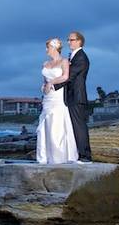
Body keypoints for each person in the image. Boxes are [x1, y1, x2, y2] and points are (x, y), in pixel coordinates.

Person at [49, 31, 92, 162]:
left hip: (77, 97)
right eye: (68, 40)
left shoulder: (81, 57)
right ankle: (77, 154)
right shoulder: (73, 56)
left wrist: (53, 86)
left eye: (71, 40)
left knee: (79, 127)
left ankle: (85, 156)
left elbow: (70, 76)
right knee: (73, 127)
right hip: (71, 97)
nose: (69, 42)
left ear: (79, 41)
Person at [36, 37, 78, 164]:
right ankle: (44, 157)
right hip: (47, 97)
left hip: (58, 96)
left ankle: (59, 157)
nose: (46, 50)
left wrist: (52, 82)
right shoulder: (45, 64)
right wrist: (44, 86)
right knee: (45, 125)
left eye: (48, 47)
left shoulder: (64, 61)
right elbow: (44, 81)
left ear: (54, 48)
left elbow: (65, 76)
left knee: (56, 125)